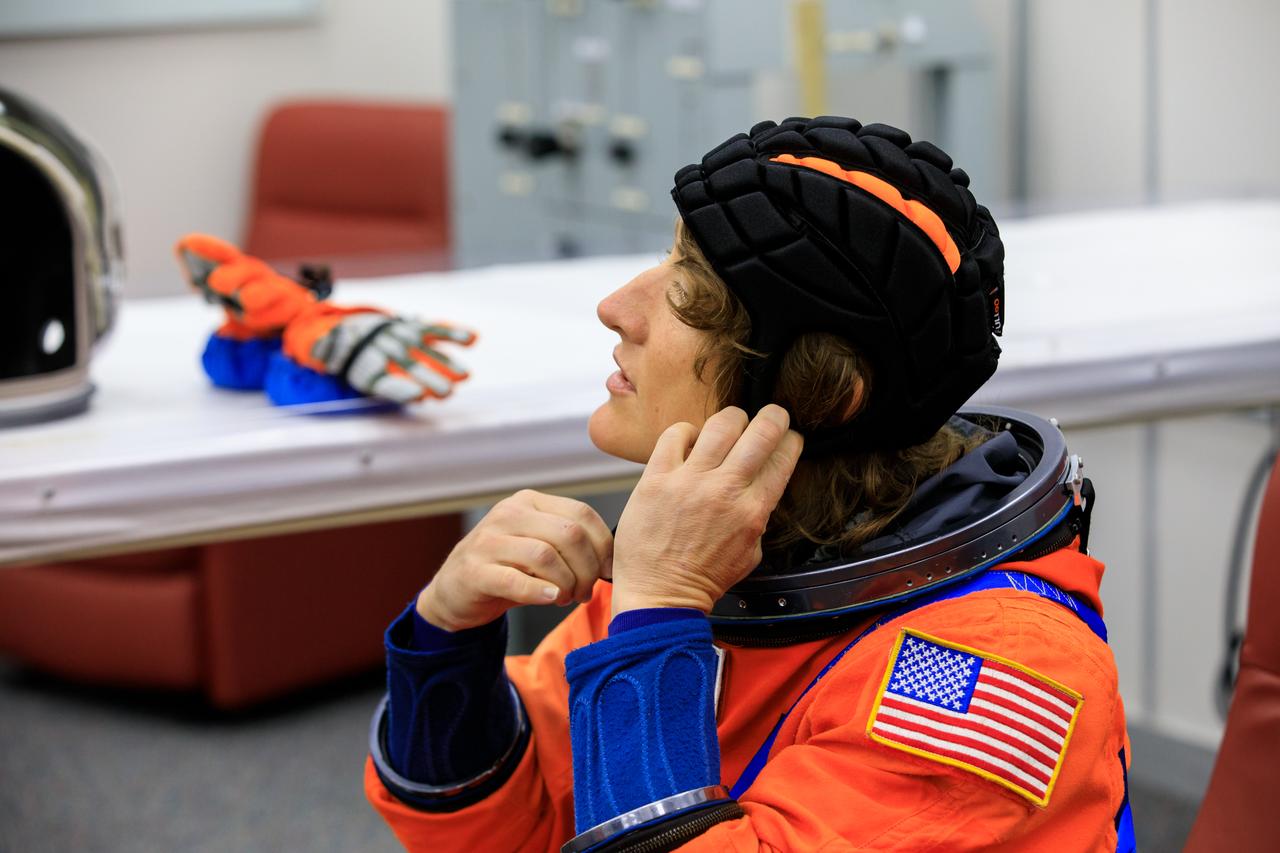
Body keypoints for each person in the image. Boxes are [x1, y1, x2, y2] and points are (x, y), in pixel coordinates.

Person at [364, 117, 1135, 852]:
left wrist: (659, 611)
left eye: (690, 291)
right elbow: (520, 828)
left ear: (819, 395)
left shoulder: (990, 675)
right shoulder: (699, 560)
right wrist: (447, 643)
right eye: (667, 259)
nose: (616, 308)